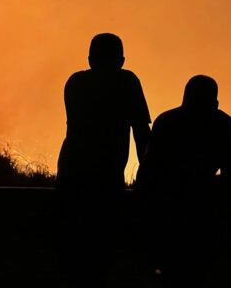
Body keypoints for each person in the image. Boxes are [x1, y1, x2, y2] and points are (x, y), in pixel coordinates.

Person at [56, 33, 151, 286]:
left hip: (70, 172)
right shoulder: (127, 82)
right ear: (122, 60)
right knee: (101, 251)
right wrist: (150, 176)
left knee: (72, 250)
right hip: (106, 176)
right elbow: (142, 133)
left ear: (89, 59)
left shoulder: (75, 82)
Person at [136, 74, 231, 287]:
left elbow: (147, 175)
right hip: (201, 216)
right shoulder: (225, 125)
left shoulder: (167, 121)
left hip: (169, 213)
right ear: (215, 103)